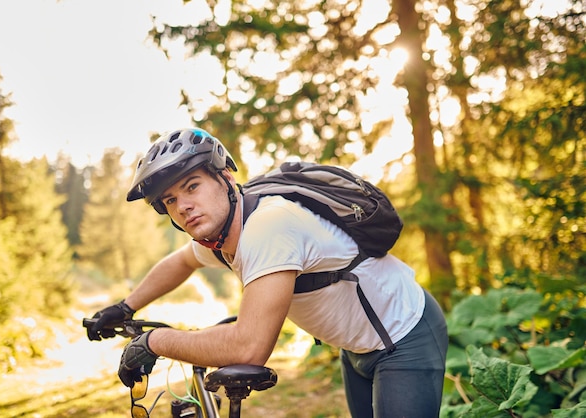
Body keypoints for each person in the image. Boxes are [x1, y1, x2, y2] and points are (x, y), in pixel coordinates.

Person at [86, 127, 448, 418]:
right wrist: (125, 307)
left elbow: (249, 347)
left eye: (191, 186)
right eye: (170, 201)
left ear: (225, 177)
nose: (183, 206)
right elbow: (181, 261)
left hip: (404, 334)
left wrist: (154, 341)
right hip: (356, 346)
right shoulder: (222, 233)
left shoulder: (268, 227)